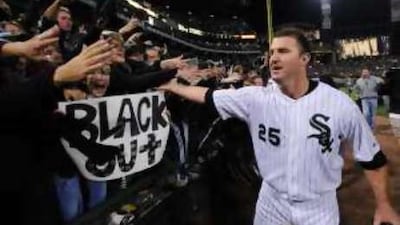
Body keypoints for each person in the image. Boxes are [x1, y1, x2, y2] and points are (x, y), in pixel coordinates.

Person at [158, 28, 400, 225]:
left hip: (318, 207)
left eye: (283, 51)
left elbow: (373, 158)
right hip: (271, 201)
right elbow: (207, 95)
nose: (273, 57)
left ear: (305, 59)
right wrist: (174, 86)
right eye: (272, 52)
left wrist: (384, 204)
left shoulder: (339, 104)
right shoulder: (255, 98)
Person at [0, 26, 115, 225]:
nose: (48, 53)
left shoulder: (21, 76)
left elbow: (50, 118)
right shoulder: (36, 79)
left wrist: (12, 48)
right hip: (35, 174)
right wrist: (55, 78)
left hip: (40, 174)